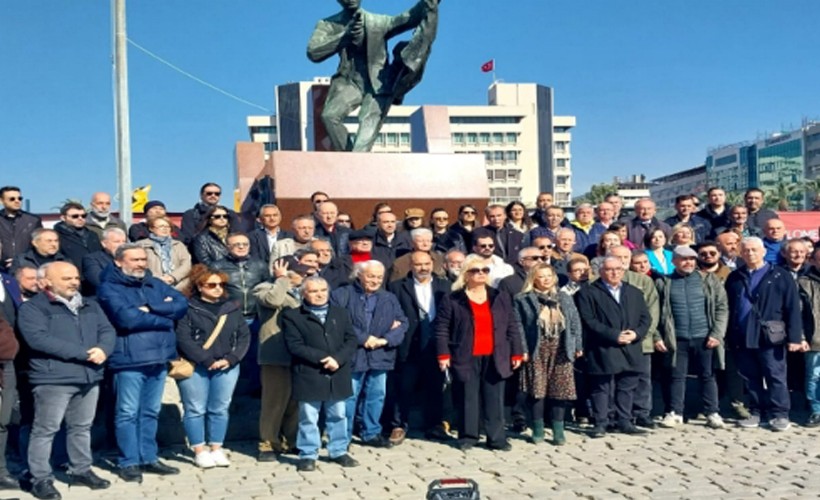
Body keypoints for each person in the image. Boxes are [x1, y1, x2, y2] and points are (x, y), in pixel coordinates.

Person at [17, 262, 113, 498]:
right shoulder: (34, 308)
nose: (74, 282)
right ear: (47, 281)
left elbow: (108, 331)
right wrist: (84, 353)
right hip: (53, 378)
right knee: (45, 430)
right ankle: (40, 478)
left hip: (89, 375)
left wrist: (103, 349)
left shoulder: (90, 304)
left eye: (76, 278)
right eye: (66, 278)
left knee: (81, 427)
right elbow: (38, 339)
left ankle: (80, 469)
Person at [97, 244, 188, 482]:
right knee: (127, 412)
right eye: (135, 259)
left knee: (150, 411)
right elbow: (127, 319)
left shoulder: (154, 283)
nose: (140, 264)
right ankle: (129, 461)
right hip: (129, 359)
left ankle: (149, 457)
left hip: (159, 357)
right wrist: (165, 319)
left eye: (143, 259)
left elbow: (181, 304)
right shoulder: (109, 287)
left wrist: (152, 308)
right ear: (118, 261)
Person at [307, 0, 439, 152]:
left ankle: (352, 164)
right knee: (329, 116)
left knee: (362, 145)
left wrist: (428, 3)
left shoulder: (377, 22)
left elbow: (409, 17)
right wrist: (345, 36)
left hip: (378, 86)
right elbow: (313, 53)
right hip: (350, 83)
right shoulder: (328, 24)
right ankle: (348, 162)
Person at [435, 255, 524, 451]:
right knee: (468, 397)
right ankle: (468, 436)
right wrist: (443, 354)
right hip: (465, 354)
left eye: (485, 270)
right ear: (466, 274)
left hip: (496, 354)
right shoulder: (453, 299)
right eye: (476, 271)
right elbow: (442, 328)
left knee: (494, 398)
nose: (481, 274)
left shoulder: (499, 296)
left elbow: (512, 325)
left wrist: (516, 352)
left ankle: (496, 438)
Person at [175, 265, 250, 469]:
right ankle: (199, 450)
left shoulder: (231, 307)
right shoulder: (187, 308)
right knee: (195, 408)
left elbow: (244, 335)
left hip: (227, 365)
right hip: (196, 365)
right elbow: (183, 338)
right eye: (212, 285)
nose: (218, 288)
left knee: (220, 408)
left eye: (221, 284)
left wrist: (232, 358)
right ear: (200, 286)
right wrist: (206, 359)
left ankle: (217, 448)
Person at [725, 237, 803, 431]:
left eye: (754, 250)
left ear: (763, 252)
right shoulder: (735, 277)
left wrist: (795, 337)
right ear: (740, 253)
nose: (750, 253)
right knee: (750, 377)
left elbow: (792, 308)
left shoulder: (780, 275)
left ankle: (779, 414)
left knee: (775, 375)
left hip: (770, 335)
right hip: (742, 335)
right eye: (746, 250)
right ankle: (756, 412)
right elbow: (727, 307)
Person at [282, 276, 359, 471]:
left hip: (337, 372)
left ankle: (338, 450)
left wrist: (337, 359)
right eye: (314, 291)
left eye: (323, 290)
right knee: (308, 416)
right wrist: (324, 358)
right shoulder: (292, 316)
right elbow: (295, 345)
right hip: (310, 372)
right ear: (304, 293)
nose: (319, 295)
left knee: (338, 414)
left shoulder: (340, 313)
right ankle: (308, 453)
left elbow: (351, 340)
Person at [331, 260, 407, 447]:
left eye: (379, 277)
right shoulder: (342, 295)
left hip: (380, 353)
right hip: (353, 353)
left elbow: (402, 322)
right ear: (359, 275)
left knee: (377, 394)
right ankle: (344, 436)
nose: (375, 280)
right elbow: (339, 321)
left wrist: (385, 339)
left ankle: (371, 432)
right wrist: (364, 338)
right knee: (349, 396)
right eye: (371, 276)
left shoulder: (388, 297)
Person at [653, 246, 728, 429]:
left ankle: (712, 412)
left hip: (704, 336)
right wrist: (657, 336)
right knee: (676, 376)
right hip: (677, 338)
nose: (688, 262)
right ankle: (675, 412)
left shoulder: (708, 280)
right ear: (674, 261)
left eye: (692, 259)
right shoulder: (664, 282)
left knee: (708, 375)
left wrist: (717, 333)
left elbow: (721, 307)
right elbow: (654, 312)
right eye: (684, 259)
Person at [575, 256, 651, 437]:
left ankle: (624, 420)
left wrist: (636, 333)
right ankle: (602, 421)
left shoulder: (634, 292)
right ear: (601, 271)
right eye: (609, 269)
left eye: (618, 269)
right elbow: (588, 320)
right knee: (602, 386)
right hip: (603, 346)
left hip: (631, 346)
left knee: (627, 384)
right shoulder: (588, 292)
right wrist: (613, 335)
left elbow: (645, 318)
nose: (614, 272)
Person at [386, 251, 452, 444]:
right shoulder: (397, 287)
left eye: (426, 264)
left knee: (435, 387)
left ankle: (434, 425)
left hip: (436, 343)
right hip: (409, 344)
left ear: (432, 264)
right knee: (404, 387)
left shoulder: (445, 286)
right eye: (418, 264)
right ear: (411, 266)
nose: (423, 268)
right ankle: (399, 425)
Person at [514, 264, 582, 445]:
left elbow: (575, 322)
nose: (545, 279)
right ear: (533, 279)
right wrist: (523, 349)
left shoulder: (564, 298)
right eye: (541, 276)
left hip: (561, 347)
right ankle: (537, 429)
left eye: (548, 276)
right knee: (538, 390)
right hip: (537, 348)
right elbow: (518, 326)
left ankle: (558, 430)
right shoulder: (523, 299)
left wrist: (577, 345)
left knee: (560, 390)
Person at [253, 258, 304, 461]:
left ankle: (290, 440)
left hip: (299, 353)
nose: (303, 274)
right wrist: (281, 279)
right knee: (274, 401)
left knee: (295, 401)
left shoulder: (306, 289)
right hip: (275, 352)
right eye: (298, 271)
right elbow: (273, 301)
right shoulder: (264, 288)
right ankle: (267, 443)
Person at [135, 216, 192, 291]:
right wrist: (159, 278)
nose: (165, 229)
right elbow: (138, 265)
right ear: (151, 228)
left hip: (179, 285)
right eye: (161, 226)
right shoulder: (140, 245)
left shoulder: (178, 245)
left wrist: (173, 277)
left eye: (168, 226)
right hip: (151, 285)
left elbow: (186, 264)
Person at [798, 246, 820, 427]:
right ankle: (816, 410)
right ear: (812, 260)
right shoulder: (803, 282)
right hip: (815, 338)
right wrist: (801, 337)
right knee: (814, 376)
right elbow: (797, 314)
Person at [53, 202, 102, 276]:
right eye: (75, 216)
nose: (80, 218)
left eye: (83, 216)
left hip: (95, 277)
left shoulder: (92, 235)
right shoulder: (56, 236)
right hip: (71, 277)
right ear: (63, 218)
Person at [0, 186, 42, 271]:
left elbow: (39, 243)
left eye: (19, 198)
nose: (17, 201)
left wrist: (20, 260)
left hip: (26, 267)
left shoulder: (33, 220)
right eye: (12, 199)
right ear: (1, 201)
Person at [83, 227, 127, 296]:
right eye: (117, 242)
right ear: (104, 243)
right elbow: (98, 281)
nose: (121, 245)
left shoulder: (130, 258)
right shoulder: (92, 259)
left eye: (124, 241)